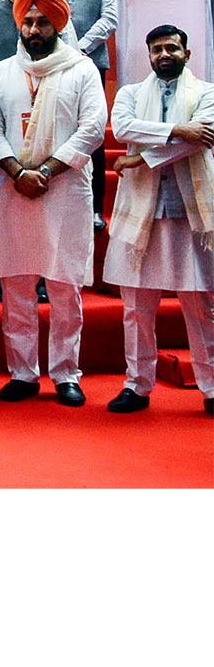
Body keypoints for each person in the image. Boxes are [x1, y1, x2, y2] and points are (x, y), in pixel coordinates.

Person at [0, 0, 106, 406]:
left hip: (64, 191)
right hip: (13, 190)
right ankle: (23, 373)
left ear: (58, 26)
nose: (34, 30)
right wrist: (18, 172)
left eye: (43, 22)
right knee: (16, 289)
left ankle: (67, 374)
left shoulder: (81, 69)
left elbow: (93, 127)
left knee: (65, 289)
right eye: (28, 22)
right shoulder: (0, 73)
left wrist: (47, 171)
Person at [101, 25, 214, 415]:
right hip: (141, 211)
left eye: (172, 48)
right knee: (136, 306)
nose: (164, 55)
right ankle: (137, 385)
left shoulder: (207, 93)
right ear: (149, 55)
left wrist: (141, 158)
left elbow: (201, 140)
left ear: (187, 53)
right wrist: (178, 129)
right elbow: (124, 128)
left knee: (200, 305)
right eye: (157, 49)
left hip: (190, 212)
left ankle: (212, 387)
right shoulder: (131, 94)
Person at [38, 0, 117, 229]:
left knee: (90, 133)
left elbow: (109, 17)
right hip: (49, 65)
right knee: (52, 128)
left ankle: (95, 208)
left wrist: (78, 48)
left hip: (89, 63)